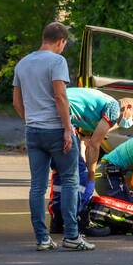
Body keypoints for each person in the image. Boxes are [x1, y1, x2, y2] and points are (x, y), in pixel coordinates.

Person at [13, 22, 95, 251]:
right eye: (64, 45)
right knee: (69, 179)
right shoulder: (57, 61)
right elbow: (60, 96)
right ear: (60, 41)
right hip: (56, 131)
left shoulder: (23, 63)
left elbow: (16, 102)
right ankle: (71, 236)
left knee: (37, 186)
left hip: (33, 131)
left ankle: (42, 238)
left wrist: (30, 121)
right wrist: (68, 129)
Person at [66, 87, 133, 181]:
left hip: (55, 102)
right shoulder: (114, 109)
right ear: (128, 107)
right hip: (61, 105)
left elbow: (84, 143)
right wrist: (91, 178)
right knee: (70, 173)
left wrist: (84, 170)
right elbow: (94, 145)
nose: (131, 122)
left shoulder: (97, 112)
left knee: (73, 167)